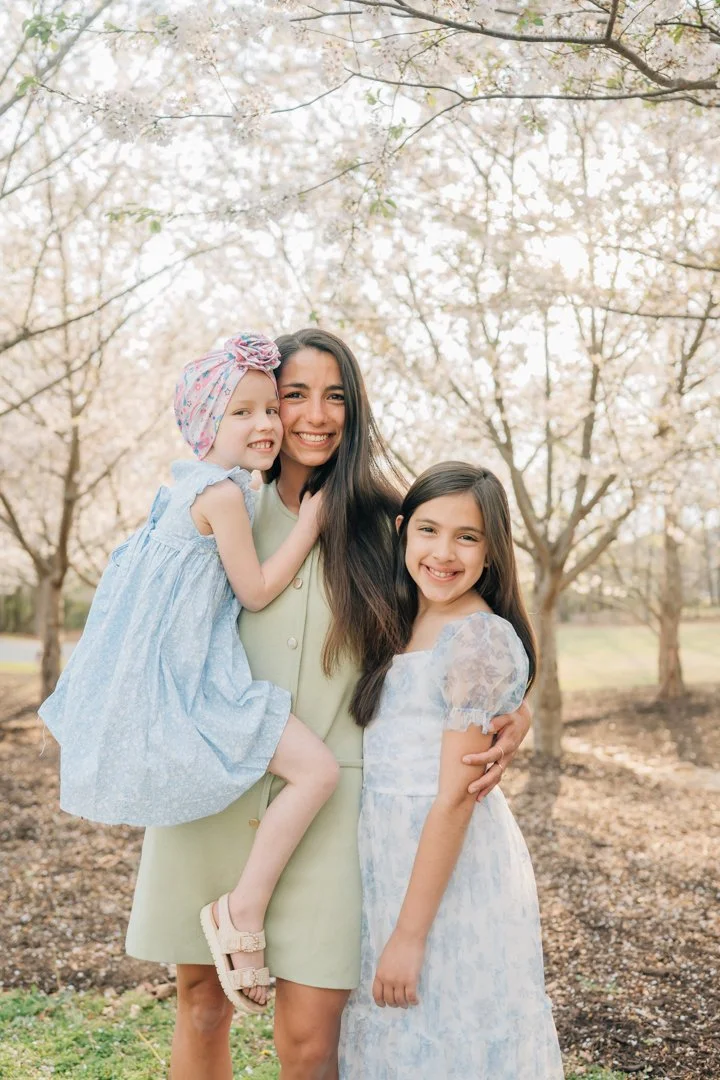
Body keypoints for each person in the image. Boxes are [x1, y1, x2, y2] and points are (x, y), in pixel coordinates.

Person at [125, 329, 532, 1080]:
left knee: (311, 1040)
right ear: (265, 408)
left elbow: (456, 630)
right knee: (201, 1002)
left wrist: (515, 709)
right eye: (295, 394)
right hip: (212, 779)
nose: (316, 414)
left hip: (332, 802)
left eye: (336, 395)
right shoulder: (218, 506)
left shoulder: (388, 526)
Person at [39, 332, 340, 1012]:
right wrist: (310, 524)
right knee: (318, 772)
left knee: (306, 772)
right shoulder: (225, 498)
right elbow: (257, 590)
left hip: (178, 682)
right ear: (208, 423)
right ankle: (242, 910)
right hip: (198, 689)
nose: (265, 424)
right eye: (243, 413)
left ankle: (239, 909)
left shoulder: (184, 484)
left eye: (270, 409)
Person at [339, 461, 564, 1079]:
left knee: (450, 1031)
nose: (443, 553)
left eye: (467, 537)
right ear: (403, 530)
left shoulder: (477, 638)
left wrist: (410, 935)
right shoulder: (396, 618)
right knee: (396, 1038)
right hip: (386, 857)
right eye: (429, 531)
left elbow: (454, 800)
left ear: (492, 551)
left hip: (447, 868)